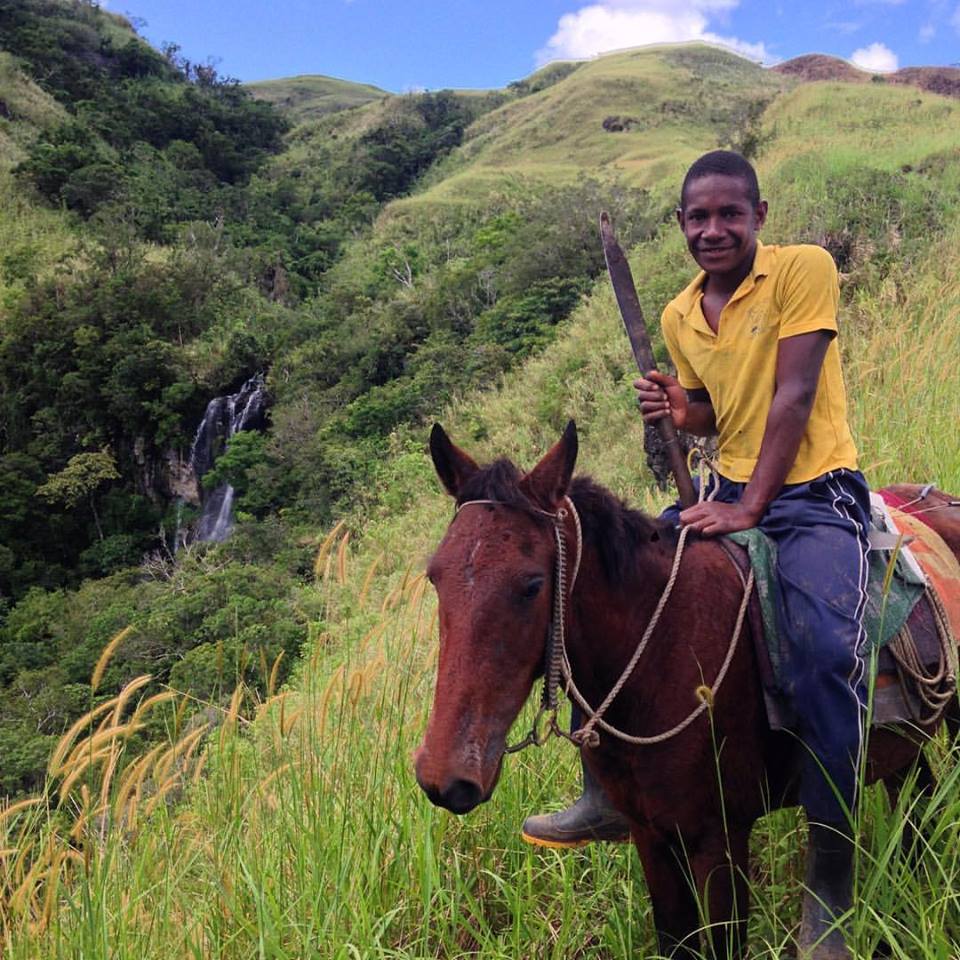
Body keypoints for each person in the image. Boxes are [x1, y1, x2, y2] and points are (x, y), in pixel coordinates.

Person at [521, 150, 870, 955]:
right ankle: (601, 787)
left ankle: (831, 893)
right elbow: (720, 410)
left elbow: (792, 393)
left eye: (729, 214)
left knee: (824, 653)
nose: (713, 230)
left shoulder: (801, 271)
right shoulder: (680, 313)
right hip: (723, 490)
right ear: (681, 226)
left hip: (813, 493)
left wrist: (750, 505)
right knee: (602, 588)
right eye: (697, 218)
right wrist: (681, 411)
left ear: (759, 215)